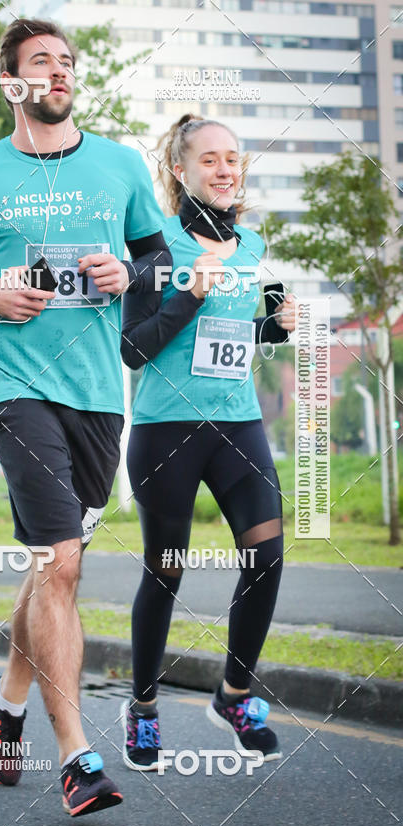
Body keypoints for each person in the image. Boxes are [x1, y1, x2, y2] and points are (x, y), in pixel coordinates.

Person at [0, 17, 169, 817]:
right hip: (14, 383)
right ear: (11, 83)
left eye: (67, 63)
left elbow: (157, 266)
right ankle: (79, 758)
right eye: (42, 63)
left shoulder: (120, 165)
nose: (59, 73)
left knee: (53, 567)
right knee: (59, 561)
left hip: (98, 394)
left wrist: (124, 272)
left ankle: (5, 700)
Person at [119, 114, 297, 771]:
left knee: (267, 555)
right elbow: (133, 348)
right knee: (166, 571)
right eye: (211, 160)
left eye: (234, 159)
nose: (226, 170)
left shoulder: (252, 244)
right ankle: (141, 710)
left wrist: (272, 326)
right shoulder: (153, 246)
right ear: (180, 170)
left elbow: (235, 337)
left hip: (238, 423)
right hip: (167, 430)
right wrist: (190, 293)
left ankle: (234, 692)